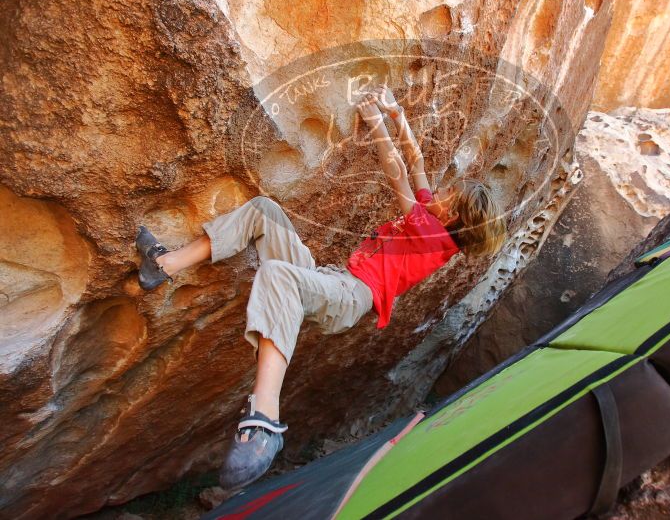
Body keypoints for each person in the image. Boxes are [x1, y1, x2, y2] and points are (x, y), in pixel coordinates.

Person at [134, 85, 507, 490]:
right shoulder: (430, 219)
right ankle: (164, 264)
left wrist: (377, 123)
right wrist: (398, 115)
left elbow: (397, 169)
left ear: (452, 215)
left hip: (350, 296)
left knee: (277, 274)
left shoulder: (431, 235)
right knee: (265, 213)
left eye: (449, 194)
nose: (441, 190)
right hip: (331, 279)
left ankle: (265, 419)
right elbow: (416, 164)